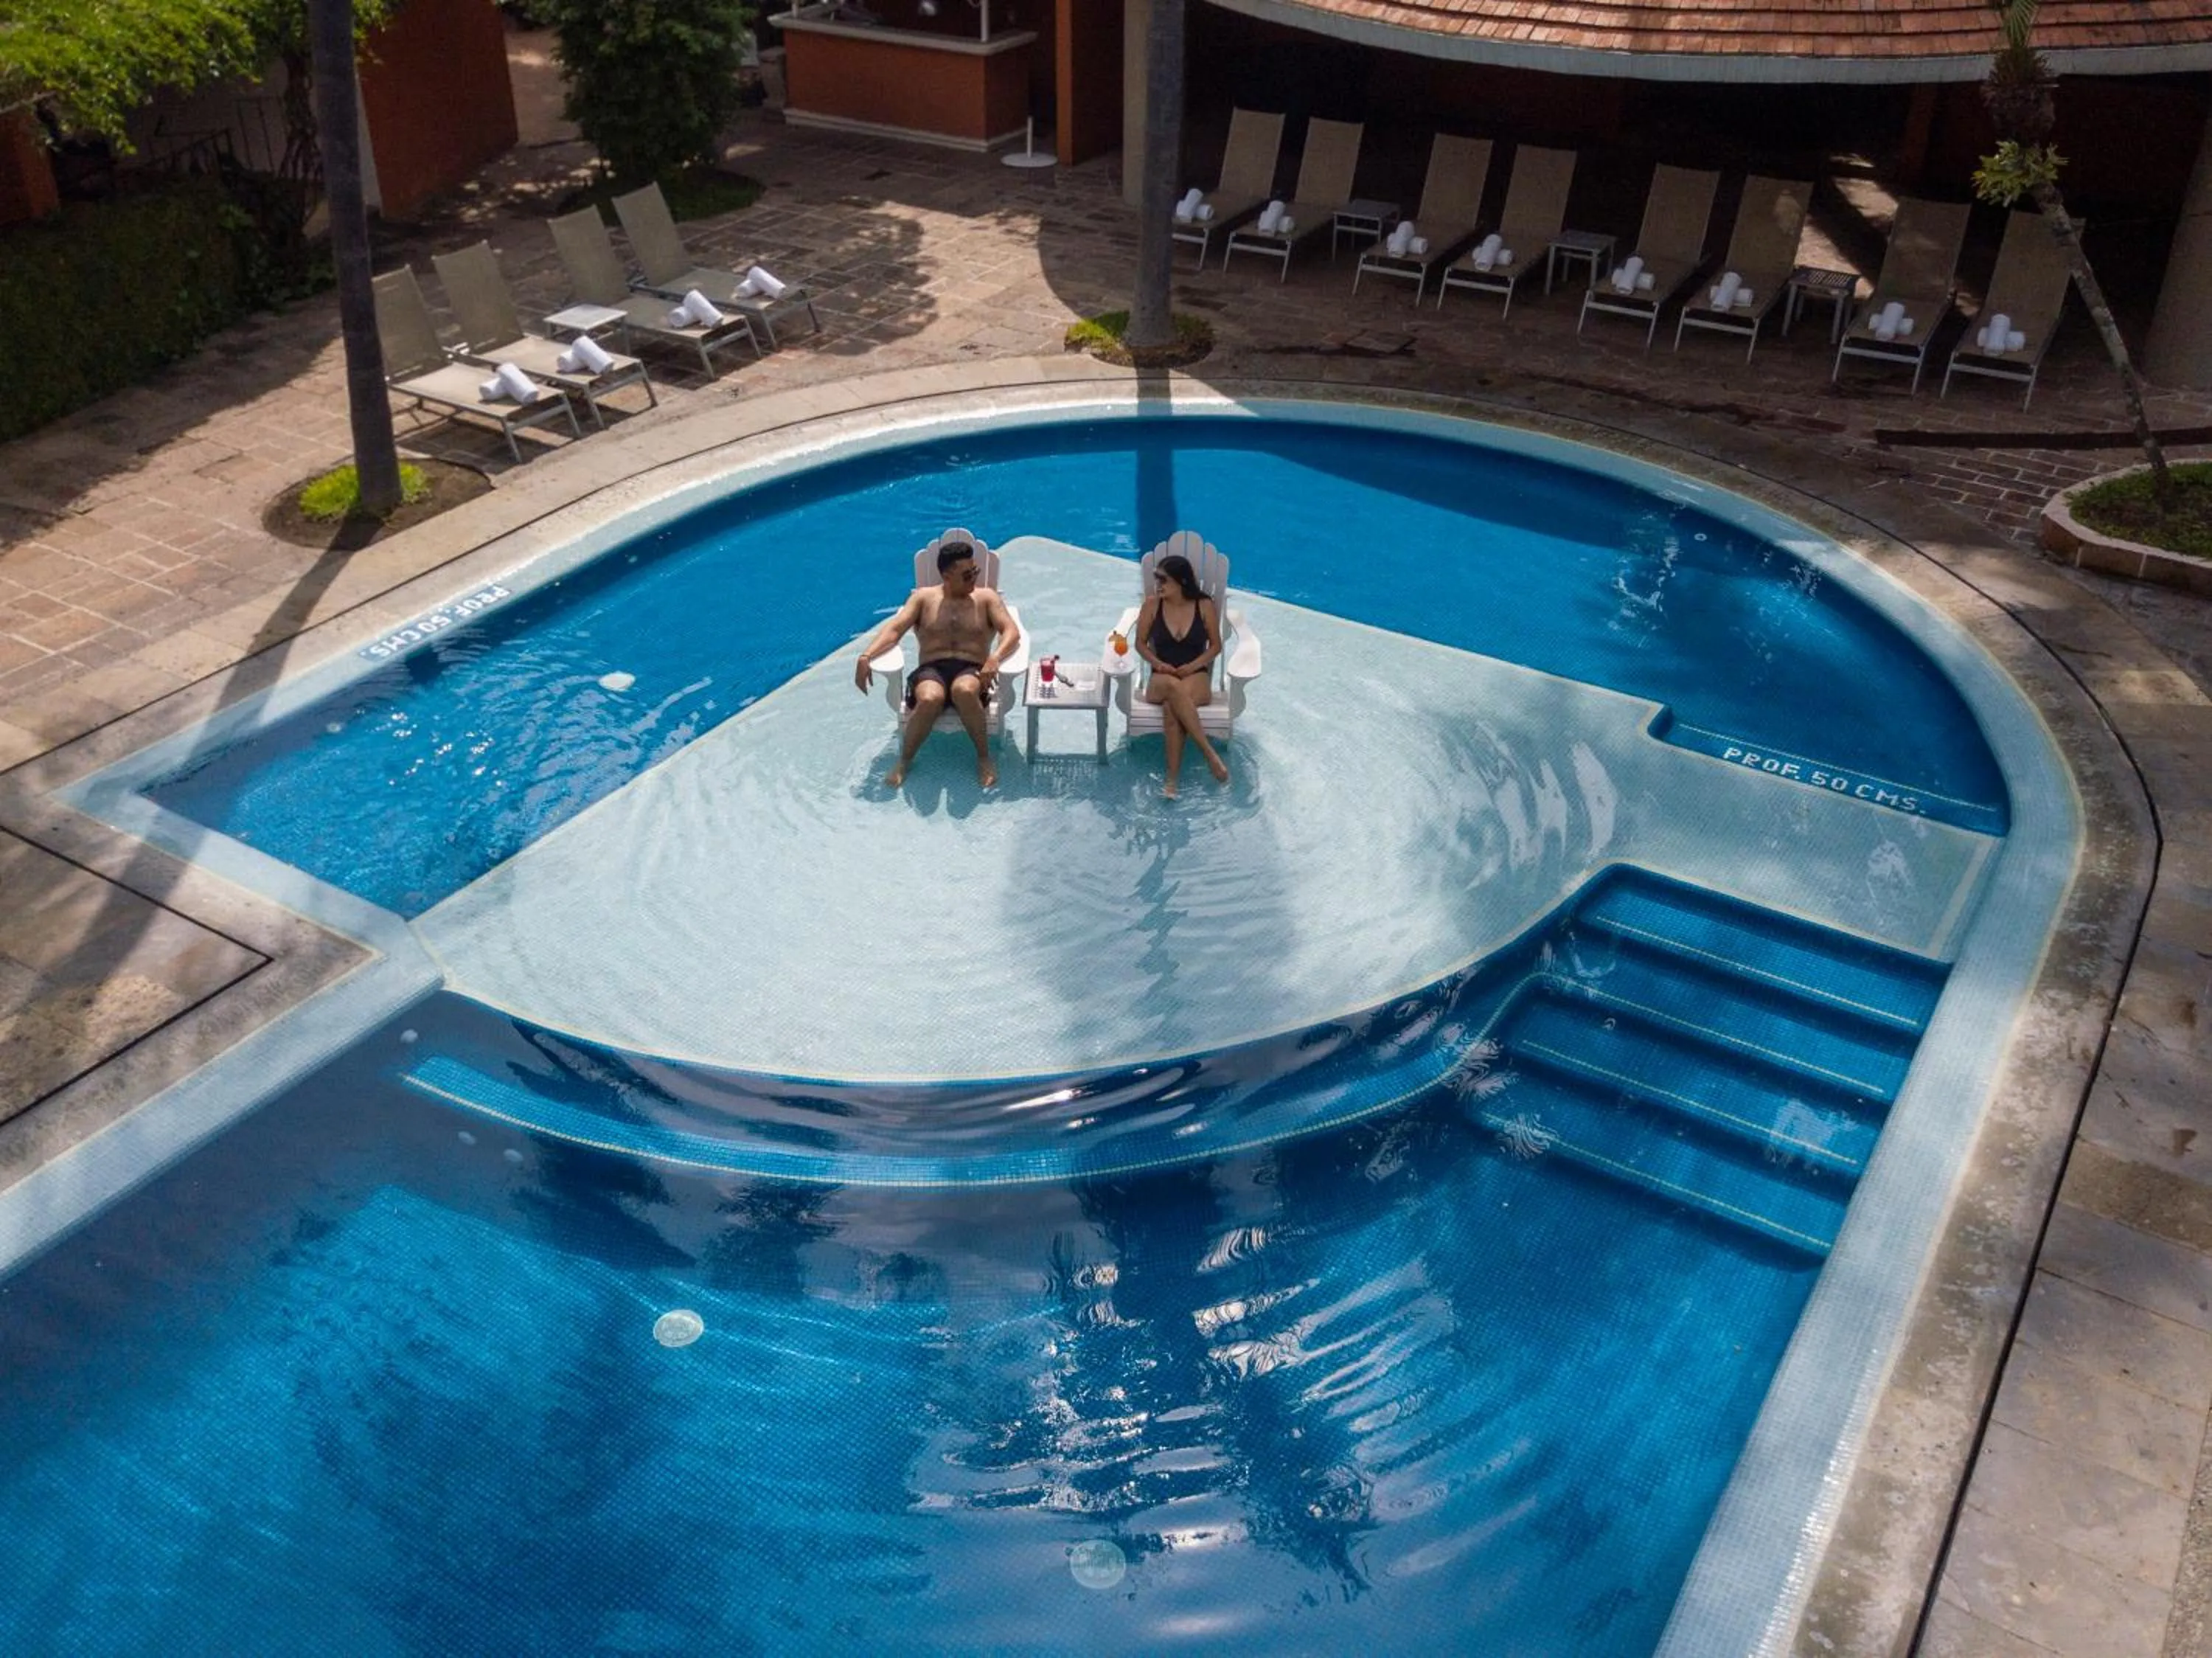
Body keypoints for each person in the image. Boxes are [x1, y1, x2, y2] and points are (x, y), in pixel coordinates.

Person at [853, 538, 1021, 788]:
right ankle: (905, 761)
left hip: (973, 669)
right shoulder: (924, 598)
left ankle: (984, 758)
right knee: (930, 698)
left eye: (975, 571)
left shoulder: (986, 598)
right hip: (932, 670)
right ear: (946, 575)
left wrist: (994, 658)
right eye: (966, 574)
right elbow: (894, 630)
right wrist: (866, 656)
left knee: (964, 691)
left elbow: (1011, 632)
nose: (973, 578)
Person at [1135, 552, 1229, 798]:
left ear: (1181, 582)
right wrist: (1159, 664)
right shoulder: (1152, 606)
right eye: (1156, 579)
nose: (1159, 585)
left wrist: (1192, 666)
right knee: (1173, 690)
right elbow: (1140, 644)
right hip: (1161, 677)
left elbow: (1216, 646)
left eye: (1164, 580)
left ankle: (1172, 781)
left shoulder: (1204, 606)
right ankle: (1210, 755)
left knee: (1172, 708)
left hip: (1195, 674)